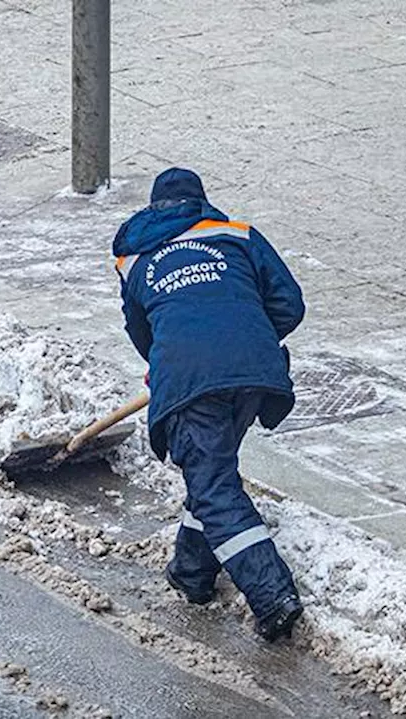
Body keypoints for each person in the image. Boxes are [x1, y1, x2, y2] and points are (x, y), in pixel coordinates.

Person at [112, 167, 306, 641]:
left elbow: (141, 331)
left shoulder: (135, 260)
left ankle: (273, 594)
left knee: (214, 487)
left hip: (190, 377)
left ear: (153, 209)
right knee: (213, 471)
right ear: (198, 203)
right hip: (254, 373)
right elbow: (290, 303)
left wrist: (174, 360)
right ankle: (192, 572)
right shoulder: (236, 234)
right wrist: (246, 339)